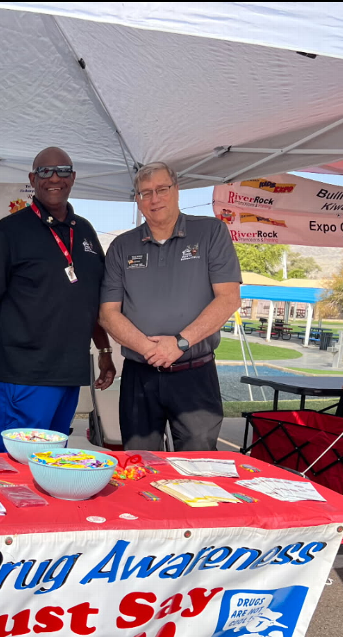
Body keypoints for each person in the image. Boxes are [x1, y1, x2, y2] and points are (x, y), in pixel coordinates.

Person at [0, 147, 116, 450]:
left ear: (73, 178)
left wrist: (105, 349)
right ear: (33, 179)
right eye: (45, 171)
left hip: (68, 372)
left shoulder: (83, 230)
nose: (54, 178)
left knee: (53, 463)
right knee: (21, 468)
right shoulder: (9, 231)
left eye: (63, 171)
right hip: (22, 374)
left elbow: (89, 298)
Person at [99, 161, 242, 451]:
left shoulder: (211, 232)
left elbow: (229, 298)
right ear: (137, 200)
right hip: (140, 374)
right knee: (140, 467)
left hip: (195, 374)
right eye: (145, 193)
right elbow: (107, 313)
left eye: (162, 189)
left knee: (198, 470)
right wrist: (151, 349)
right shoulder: (122, 246)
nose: (154, 199)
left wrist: (179, 343)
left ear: (177, 190)